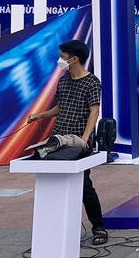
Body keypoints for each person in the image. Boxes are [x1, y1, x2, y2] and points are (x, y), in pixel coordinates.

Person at [28, 40, 108, 245]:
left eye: (62, 56)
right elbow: (60, 107)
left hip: (77, 141)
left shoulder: (92, 82)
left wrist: (85, 139)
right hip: (57, 139)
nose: (60, 60)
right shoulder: (63, 80)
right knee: (53, 180)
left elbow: (94, 111)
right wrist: (40, 115)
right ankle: (56, 228)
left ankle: (99, 227)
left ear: (74, 58)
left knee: (84, 186)